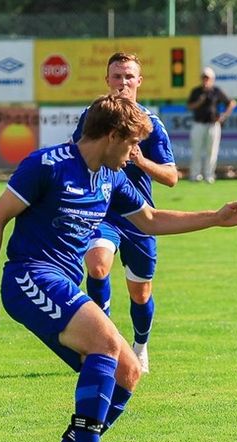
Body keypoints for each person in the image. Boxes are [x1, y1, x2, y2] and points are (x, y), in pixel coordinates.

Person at [0, 94, 237, 442]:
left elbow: (150, 220)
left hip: (63, 285)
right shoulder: (47, 165)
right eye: (133, 142)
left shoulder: (111, 177)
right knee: (105, 343)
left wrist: (215, 218)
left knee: (128, 371)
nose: (135, 151)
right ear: (114, 135)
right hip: (30, 276)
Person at [71, 52, 178, 373]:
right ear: (107, 80)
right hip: (101, 212)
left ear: (139, 82)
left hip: (139, 218)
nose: (122, 83)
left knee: (140, 293)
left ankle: (140, 346)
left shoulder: (151, 125)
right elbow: (78, 158)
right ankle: (103, 341)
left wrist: (141, 161)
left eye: (129, 77)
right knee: (98, 266)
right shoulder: (92, 117)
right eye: (117, 76)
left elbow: (172, 177)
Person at [186, 66, 237, 183]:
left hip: (212, 124)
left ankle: (209, 175)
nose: (205, 80)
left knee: (211, 151)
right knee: (197, 150)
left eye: (208, 78)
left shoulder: (216, 91)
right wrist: (200, 101)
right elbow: (189, 106)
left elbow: (232, 103)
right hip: (198, 124)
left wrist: (223, 116)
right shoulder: (196, 91)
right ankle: (195, 175)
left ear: (212, 79)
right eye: (204, 78)